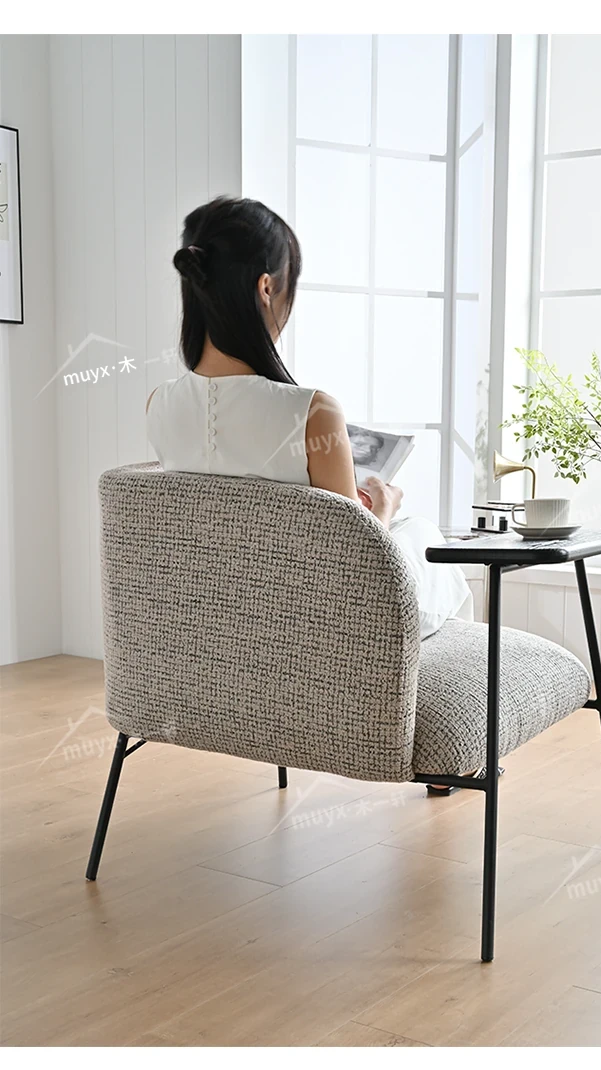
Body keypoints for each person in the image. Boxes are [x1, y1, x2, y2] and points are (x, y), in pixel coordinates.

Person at [146, 197, 474, 790]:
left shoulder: (159, 407)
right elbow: (353, 566)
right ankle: (448, 751)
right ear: (266, 287)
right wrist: (383, 508)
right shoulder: (314, 411)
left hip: (212, 634)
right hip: (315, 633)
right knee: (424, 537)